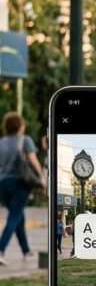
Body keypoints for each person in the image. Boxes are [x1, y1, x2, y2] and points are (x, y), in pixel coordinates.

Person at [0, 112, 46, 265]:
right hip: (19, 184)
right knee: (14, 217)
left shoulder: (2, 142)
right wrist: (42, 177)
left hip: (3, 185)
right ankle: (1, 249)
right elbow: (33, 161)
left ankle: (26, 252)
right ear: (20, 126)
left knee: (19, 217)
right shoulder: (25, 140)